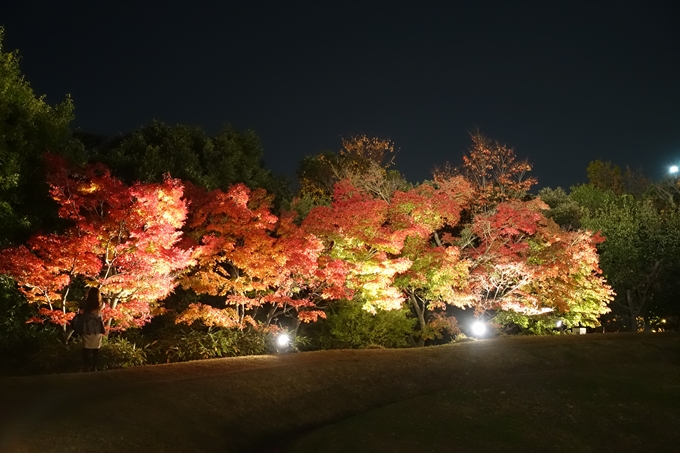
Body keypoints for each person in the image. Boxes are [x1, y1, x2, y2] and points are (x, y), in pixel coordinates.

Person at [80, 287, 106, 372]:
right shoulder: (101, 304)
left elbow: (80, 307)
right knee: (96, 348)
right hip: (97, 327)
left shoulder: (85, 303)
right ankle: (94, 367)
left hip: (87, 326)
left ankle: (86, 366)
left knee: (86, 348)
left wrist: (85, 296)